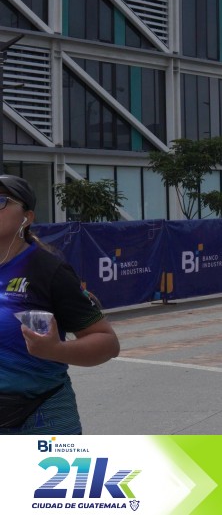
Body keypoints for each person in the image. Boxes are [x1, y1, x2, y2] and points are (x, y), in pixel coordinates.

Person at [0, 175, 120, 435]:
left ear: (26, 218)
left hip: (41, 418)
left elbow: (108, 343)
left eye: (1, 201)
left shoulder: (48, 270)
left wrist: (56, 350)